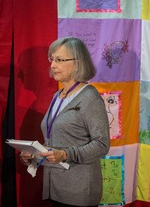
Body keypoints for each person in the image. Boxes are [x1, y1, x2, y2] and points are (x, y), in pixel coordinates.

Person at [19, 37, 110, 207]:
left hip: (79, 191)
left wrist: (66, 154)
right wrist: (35, 155)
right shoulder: (58, 96)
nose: (53, 65)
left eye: (59, 60)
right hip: (55, 188)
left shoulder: (90, 97)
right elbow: (56, 142)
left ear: (78, 63)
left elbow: (102, 144)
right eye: (52, 59)